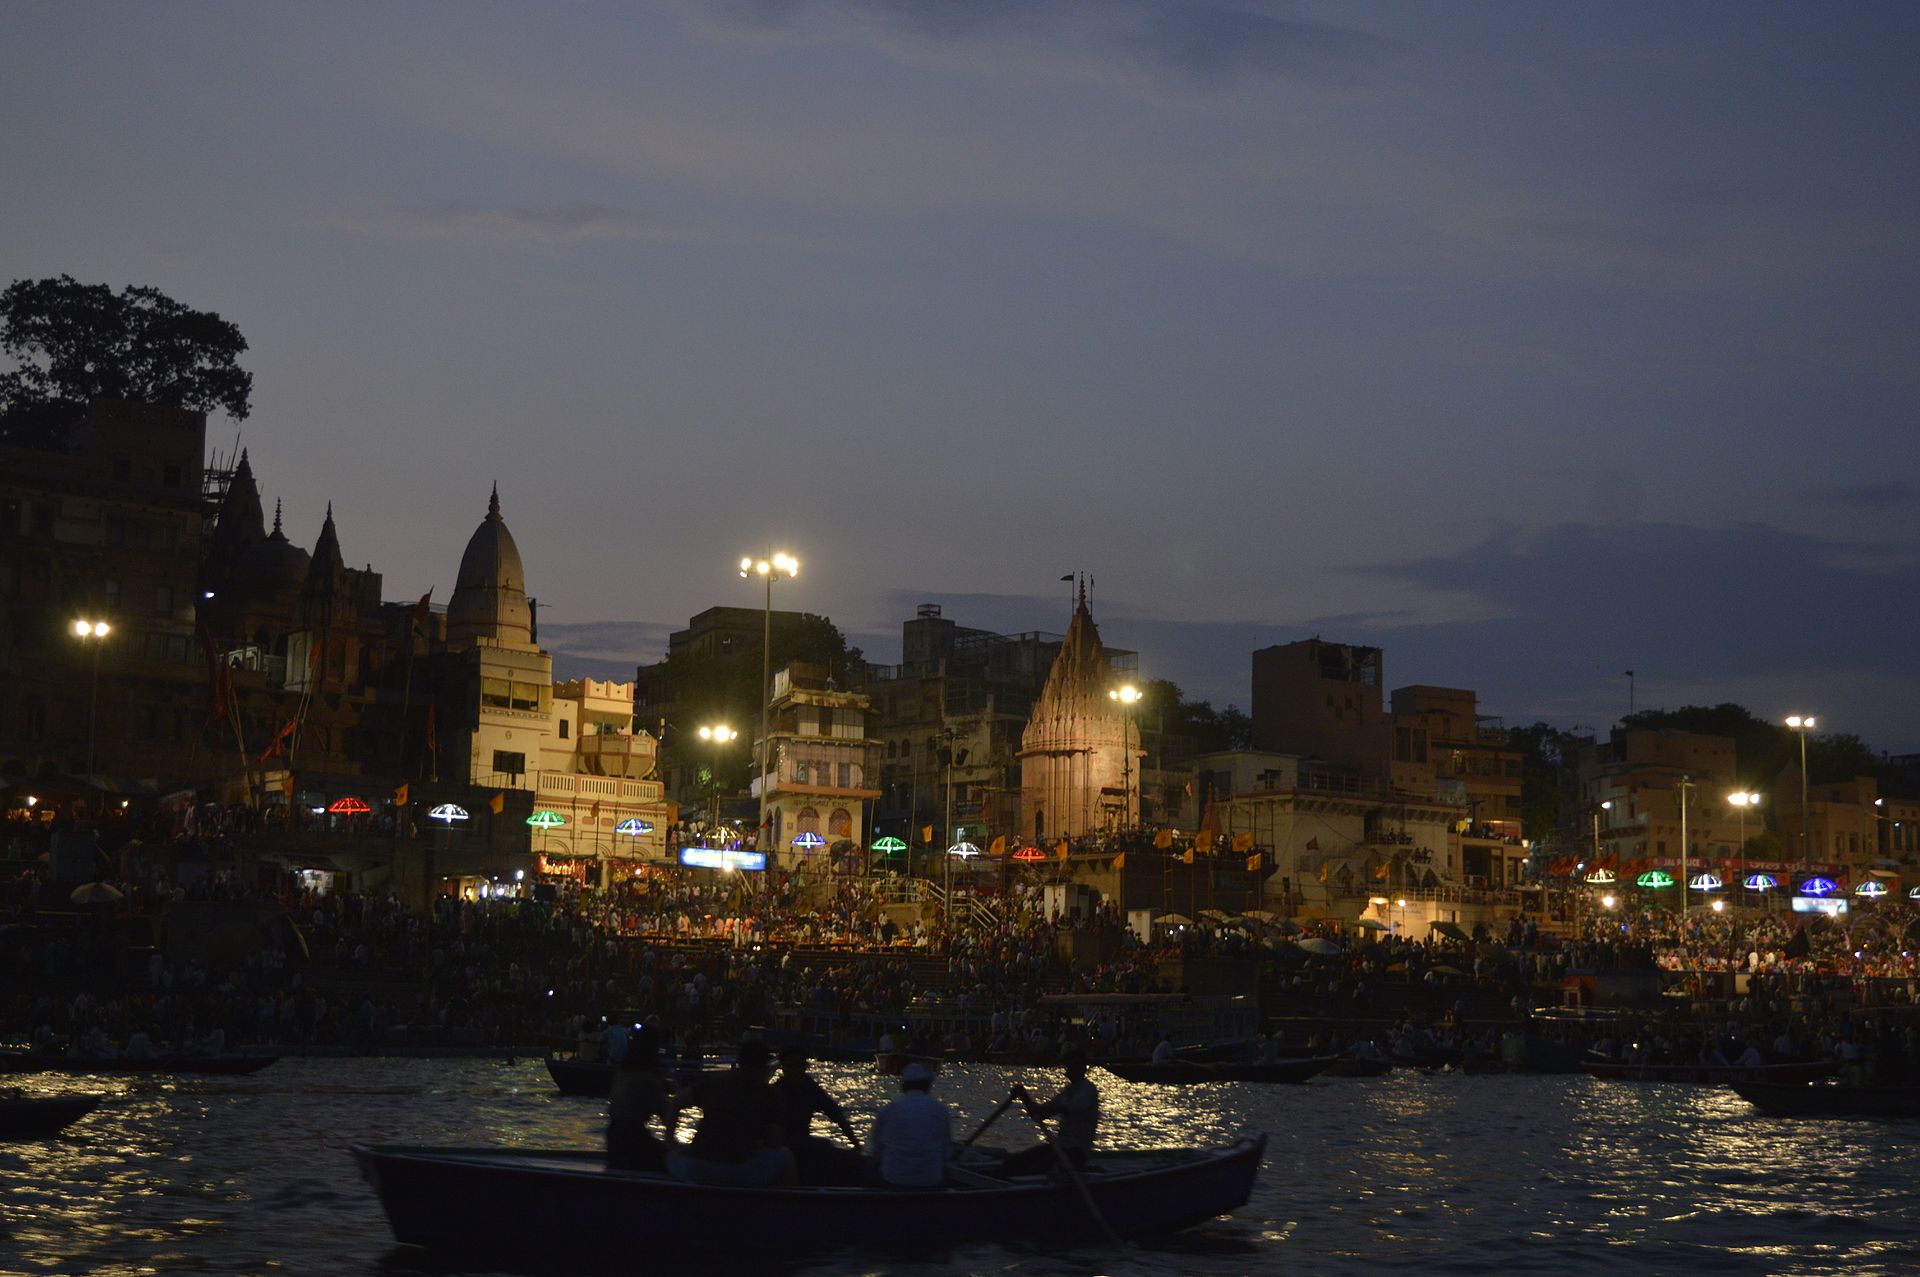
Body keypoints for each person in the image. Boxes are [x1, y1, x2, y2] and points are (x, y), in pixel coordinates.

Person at [666, 1038, 796, 1186]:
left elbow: (676, 1101)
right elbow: (775, 1142)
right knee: (786, 1156)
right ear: (765, 1068)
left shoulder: (714, 1083)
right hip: (741, 1171)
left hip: (698, 1168)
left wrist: (670, 1139)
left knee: (674, 1155)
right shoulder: (771, 1094)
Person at [1000, 1046, 1099, 1177]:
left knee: (1034, 1170)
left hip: (1076, 1152)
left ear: (1082, 1067)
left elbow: (1070, 1107)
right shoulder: (1068, 1091)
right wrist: (1024, 1097)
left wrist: (1050, 1108)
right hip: (1060, 1148)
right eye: (1067, 1066)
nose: (1067, 1069)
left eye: (1071, 1066)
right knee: (1013, 1162)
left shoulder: (1087, 1089)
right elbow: (1038, 1113)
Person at [775, 1047, 864, 1185]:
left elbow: (835, 1113)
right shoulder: (776, 1091)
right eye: (790, 1066)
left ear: (805, 1066)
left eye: (799, 1066)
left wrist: (855, 1144)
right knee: (824, 1146)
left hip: (802, 1140)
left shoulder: (809, 1086)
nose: (795, 1071)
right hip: (780, 1145)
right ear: (783, 1068)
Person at [865, 1062, 950, 1187]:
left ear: (904, 1086)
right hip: (930, 1179)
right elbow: (946, 1152)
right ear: (927, 1086)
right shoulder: (940, 1109)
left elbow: (877, 1150)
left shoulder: (889, 1109)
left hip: (893, 1178)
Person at [606, 1026, 673, 1172]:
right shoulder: (649, 1078)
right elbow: (665, 1116)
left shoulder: (621, 1073)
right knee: (673, 1161)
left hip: (613, 1138)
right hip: (633, 1138)